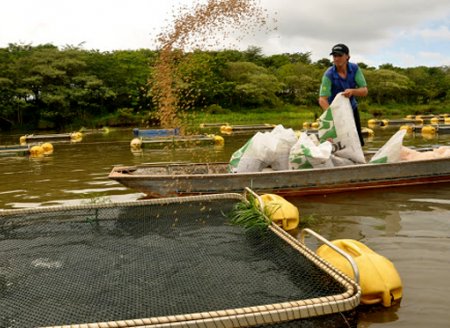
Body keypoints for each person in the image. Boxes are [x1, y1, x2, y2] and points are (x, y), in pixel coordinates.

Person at [319, 43, 368, 146]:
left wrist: (353, 91)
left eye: (339, 55)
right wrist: (330, 116)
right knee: (338, 141)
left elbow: (364, 91)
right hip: (335, 110)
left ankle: (359, 159)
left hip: (351, 107)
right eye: (334, 56)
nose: (336, 58)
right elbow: (322, 99)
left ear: (347, 57)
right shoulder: (329, 74)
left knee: (357, 139)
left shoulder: (354, 69)